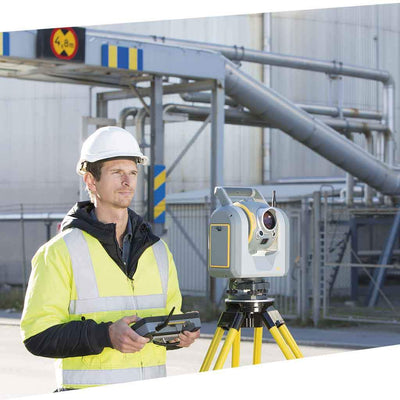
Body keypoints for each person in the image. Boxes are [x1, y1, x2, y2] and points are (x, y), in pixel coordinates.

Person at [20, 126, 200, 390]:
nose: (127, 182)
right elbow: (37, 335)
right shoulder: (59, 252)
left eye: (132, 173)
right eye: (117, 173)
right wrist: (105, 335)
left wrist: (178, 337)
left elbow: (167, 319)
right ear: (91, 181)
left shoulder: (158, 251)